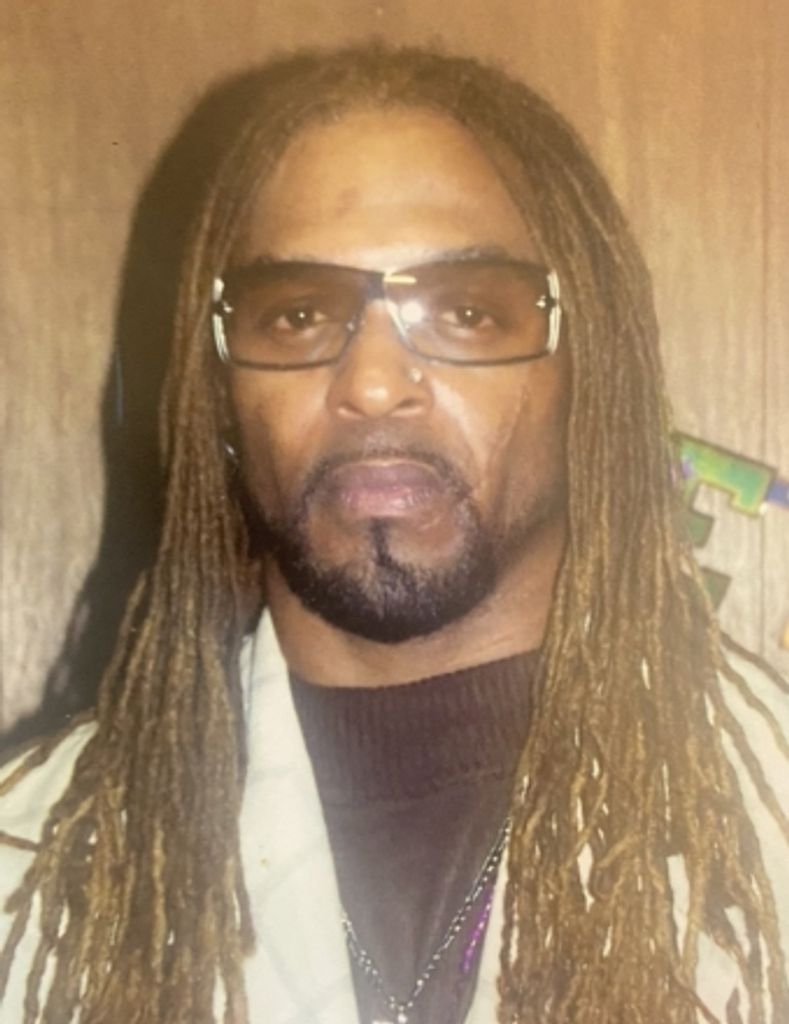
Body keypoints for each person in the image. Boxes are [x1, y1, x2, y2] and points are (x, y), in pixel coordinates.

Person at [0, 43, 787, 1024]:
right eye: (297, 313)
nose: (373, 384)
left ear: (591, 370)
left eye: (468, 311)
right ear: (219, 391)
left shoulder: (769, 829)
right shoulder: (25, 876)